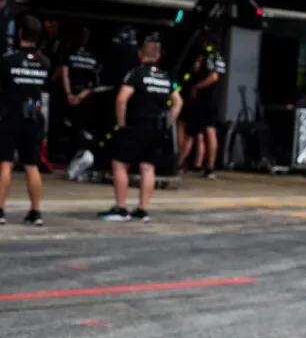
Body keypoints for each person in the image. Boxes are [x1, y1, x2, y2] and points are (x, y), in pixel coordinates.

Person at [102, 34, 179, 222]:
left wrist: (121, 124)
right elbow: (178, 102)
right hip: (157, 128)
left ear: (139, 54)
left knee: (119, 164)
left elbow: (121, 99)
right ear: (158, 56)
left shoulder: (136, 73)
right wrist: (168, 123)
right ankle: (142, 210)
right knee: (147, 167)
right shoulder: (166, 77)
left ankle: (121, 208)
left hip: (136, 126)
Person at [0, 15, 50, 226]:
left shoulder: (8, 60)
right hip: (34, 117)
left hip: (10, 115)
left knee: (5, 163)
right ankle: (35, 212)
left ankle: (0, 210)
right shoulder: (45, 62)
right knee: (32, 165)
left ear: (20, 33)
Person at [179, 41, 226, 179]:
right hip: (210, 100)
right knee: (205, 132)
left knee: (191, 132)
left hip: (202, 100)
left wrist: (197, 86)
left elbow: (214, 76)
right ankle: (208, 166)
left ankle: (180, 161)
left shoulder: (207, 56)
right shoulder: (218, 57)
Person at [55, 26, 100, 166]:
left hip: (70, 94)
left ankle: (68, 158)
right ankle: (74, 159)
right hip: (83, 97)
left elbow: (65, 74)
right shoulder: (93, 57)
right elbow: (94, 84)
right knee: (79, 130)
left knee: (67, 128)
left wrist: (69, 94)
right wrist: (80, 96)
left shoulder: (69, 53)